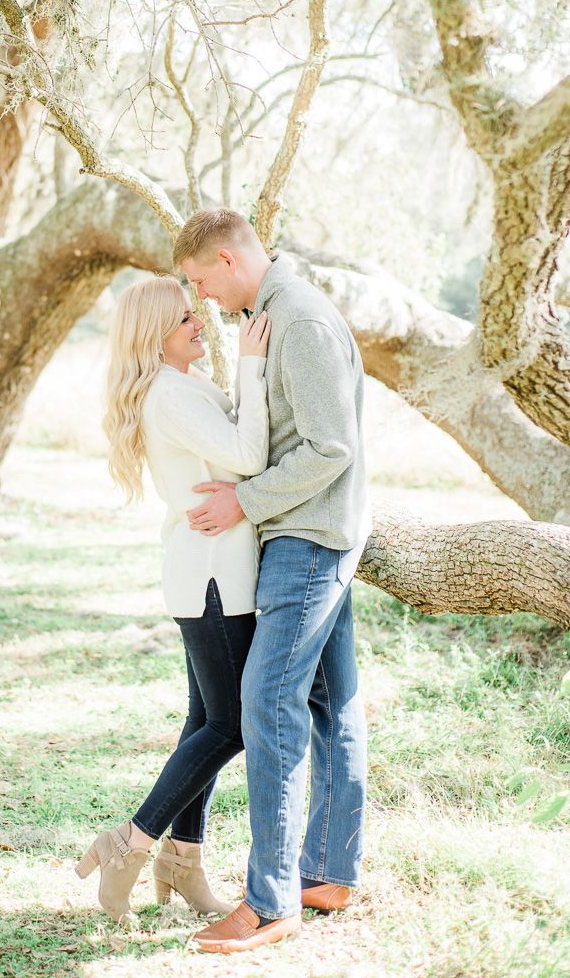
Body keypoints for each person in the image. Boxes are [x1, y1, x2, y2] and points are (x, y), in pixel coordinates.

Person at [174, 208, 371, 955]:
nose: (203, 300)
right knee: (329, 702)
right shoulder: (277, 313)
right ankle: (327, 872)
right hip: (313, 532)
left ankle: (268, 903)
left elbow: (331, 449)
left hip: (308, 539)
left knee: (268, 702)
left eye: (201, 281)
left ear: (227, 259)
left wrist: (241, 503)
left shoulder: (302, 322)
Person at [75, 273, 271, 922]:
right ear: (154, 333)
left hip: (210, 574)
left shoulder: (182, 387)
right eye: (185, 316)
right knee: (232, 724)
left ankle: (181, 862)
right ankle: (129, 843)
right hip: (213, 579)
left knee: (203, 721)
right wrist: (250, 363)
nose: (200, 321)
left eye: (197, 312)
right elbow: (246, 454)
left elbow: (232, 448)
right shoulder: (171, 396)